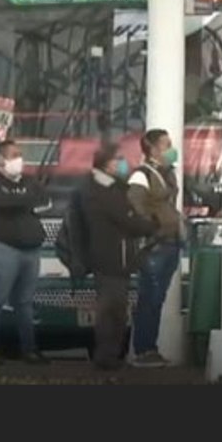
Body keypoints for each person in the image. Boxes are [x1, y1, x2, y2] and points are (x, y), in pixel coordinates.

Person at [0, 139, 50, 363]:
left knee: (24, 302)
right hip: (3, 249)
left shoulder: (30, 181)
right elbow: (2, 201)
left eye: (20, 154)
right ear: (1, 159)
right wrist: (25, 201)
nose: (20, 159)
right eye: (15, 155)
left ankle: (29, 349)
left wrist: (23, 200)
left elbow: (45, 200)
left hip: (31, 250)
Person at [81, 143, 158, 370]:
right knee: (110, 312)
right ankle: (106, 358)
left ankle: (112, 356)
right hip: (108, 257)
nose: (121, 163)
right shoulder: (100, 191)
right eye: (117, 159)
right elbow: (125, 219)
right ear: (106, 163)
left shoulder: (114, 188)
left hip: (120, 258)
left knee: (118, 311)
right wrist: (151, 226)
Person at [126, 128, 184, 367]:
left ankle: (150, 348)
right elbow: (136, 208)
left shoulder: (168, 173)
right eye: (166, 144)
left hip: (171, 243)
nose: (171, 149)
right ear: (152, 148)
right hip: (156, 246)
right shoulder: (141, 175)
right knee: (149, 298)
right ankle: (143, 350)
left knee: (157, 299)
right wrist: (156, 228)